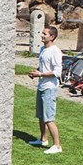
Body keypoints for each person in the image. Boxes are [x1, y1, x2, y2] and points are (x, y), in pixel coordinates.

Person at [27, 26, 63, 154]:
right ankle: (43, 139)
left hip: (49, 88)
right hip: (41, 86)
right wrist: (36, 72)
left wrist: (40, 74)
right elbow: (43, 66)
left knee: (49, 118)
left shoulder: (55, 51)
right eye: (42, 33)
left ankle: (57, 146)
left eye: (45, 34)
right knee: (41, 116)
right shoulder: (43, 49)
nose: (42, 35)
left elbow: (57, 72)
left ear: (52, 37)